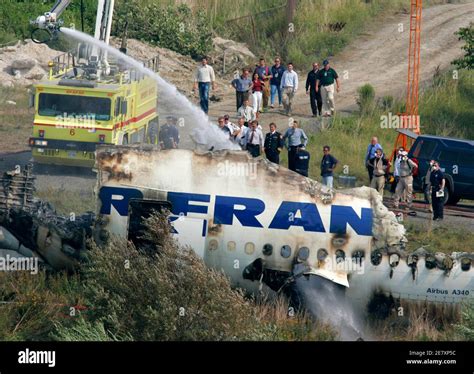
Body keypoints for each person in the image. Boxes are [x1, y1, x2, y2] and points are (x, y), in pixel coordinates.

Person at [393, 147, 417, 212]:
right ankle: (395, 204)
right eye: (401, 155)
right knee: (397, 190)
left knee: (408, 192)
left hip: (408, 178)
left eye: (403, 156)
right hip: (401, 178)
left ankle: (409, 205)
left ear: (405, 156)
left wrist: (412, 170)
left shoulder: (409, 161)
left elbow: (415, 165)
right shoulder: (400, 161)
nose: (401, 157)